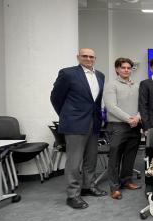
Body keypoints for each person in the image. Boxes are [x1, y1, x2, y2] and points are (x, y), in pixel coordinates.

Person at [50, 48, 107, 209]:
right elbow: (55, 97)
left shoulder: (100, 75)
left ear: (95, 58)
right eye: (85, 56)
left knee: (91, 158)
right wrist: (67, 115)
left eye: (91, 57)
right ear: (78, 57)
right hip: (74, 123)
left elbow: (96, 101)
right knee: (74, 162)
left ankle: (88, 187)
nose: (88, 59)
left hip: (94, 122)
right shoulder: (68, 73)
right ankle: (73, 195)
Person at [103, 57, 142, 200]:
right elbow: (111, 107)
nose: (126, 70)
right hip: (118, 126)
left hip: (135, 125)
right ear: (117, 69)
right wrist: (129, 119)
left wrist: (137, 118)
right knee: (115, 158)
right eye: (123, 67)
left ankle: (126, 181)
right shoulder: (111, 85)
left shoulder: (136, 85)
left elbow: (142, 105)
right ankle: (114, 187)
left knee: (130, 156)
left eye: (128, 68)